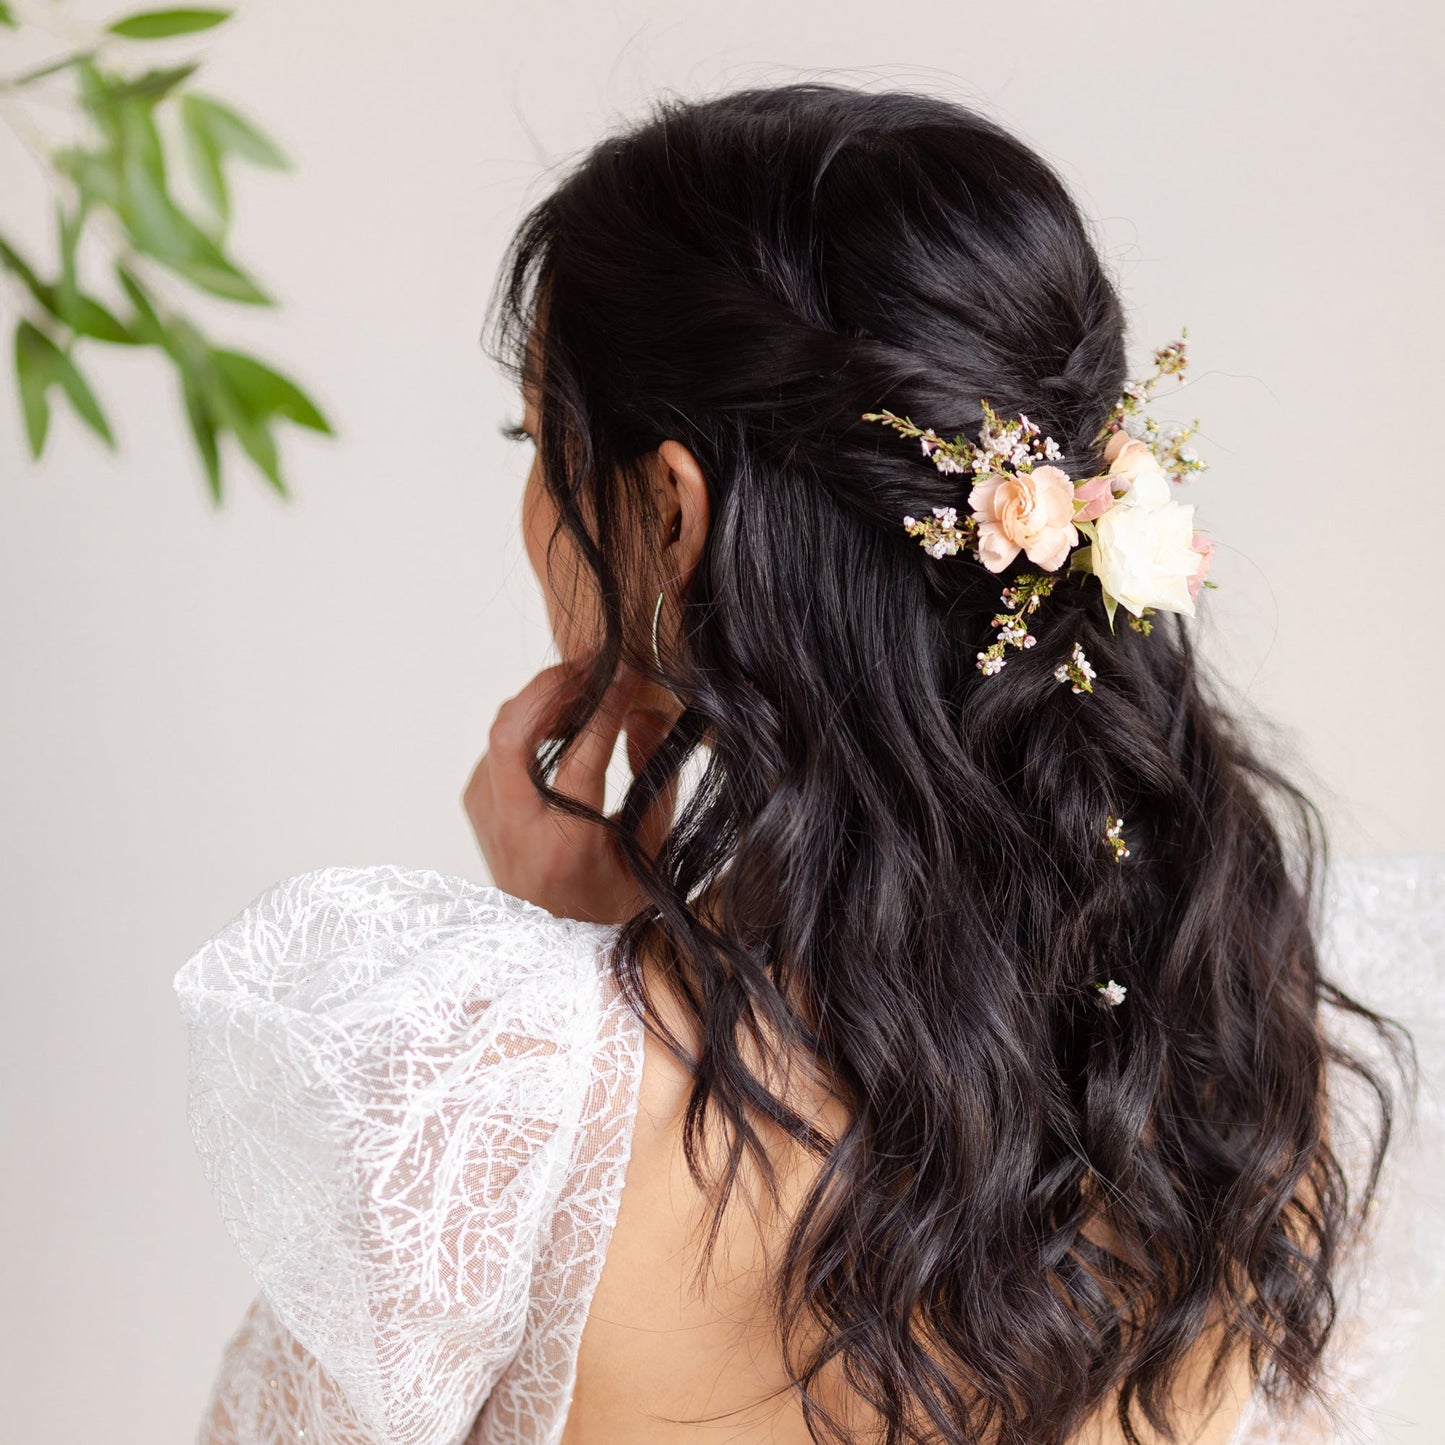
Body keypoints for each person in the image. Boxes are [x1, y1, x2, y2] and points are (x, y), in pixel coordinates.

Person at [172, 83, 1445, 1445]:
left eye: (538, 443)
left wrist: (564, 987)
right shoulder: (1257, 1033)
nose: (533, 505)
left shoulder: (492, 1110)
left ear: (669, 511)